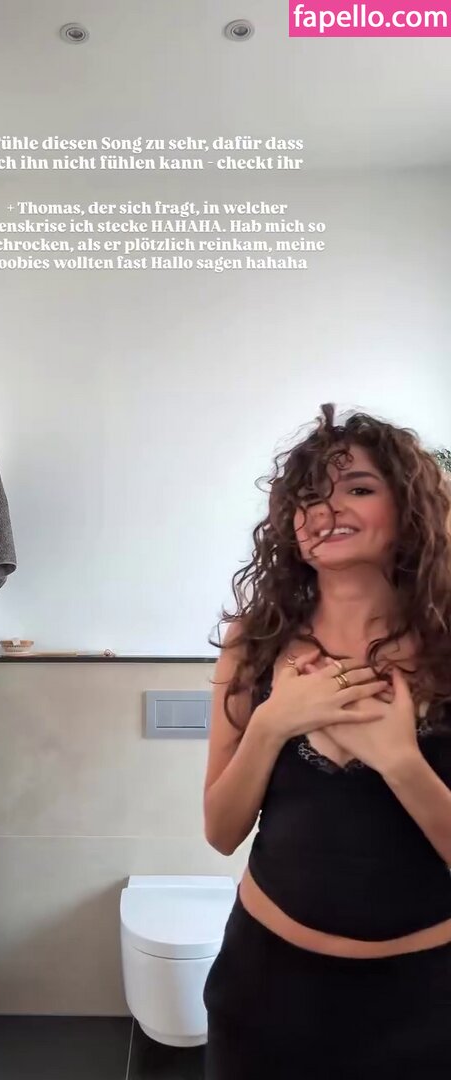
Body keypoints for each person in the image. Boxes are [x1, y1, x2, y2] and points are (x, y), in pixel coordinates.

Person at [202, 403, 451, 1079]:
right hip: (263, 990)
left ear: (409, 509)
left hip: (426, 1005)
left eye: (357, 488)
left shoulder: (444, 647)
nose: (325, 510)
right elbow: (221, 831)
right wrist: (274, 722)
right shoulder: (254, 640)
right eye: (308, 497)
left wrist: (402, 762)